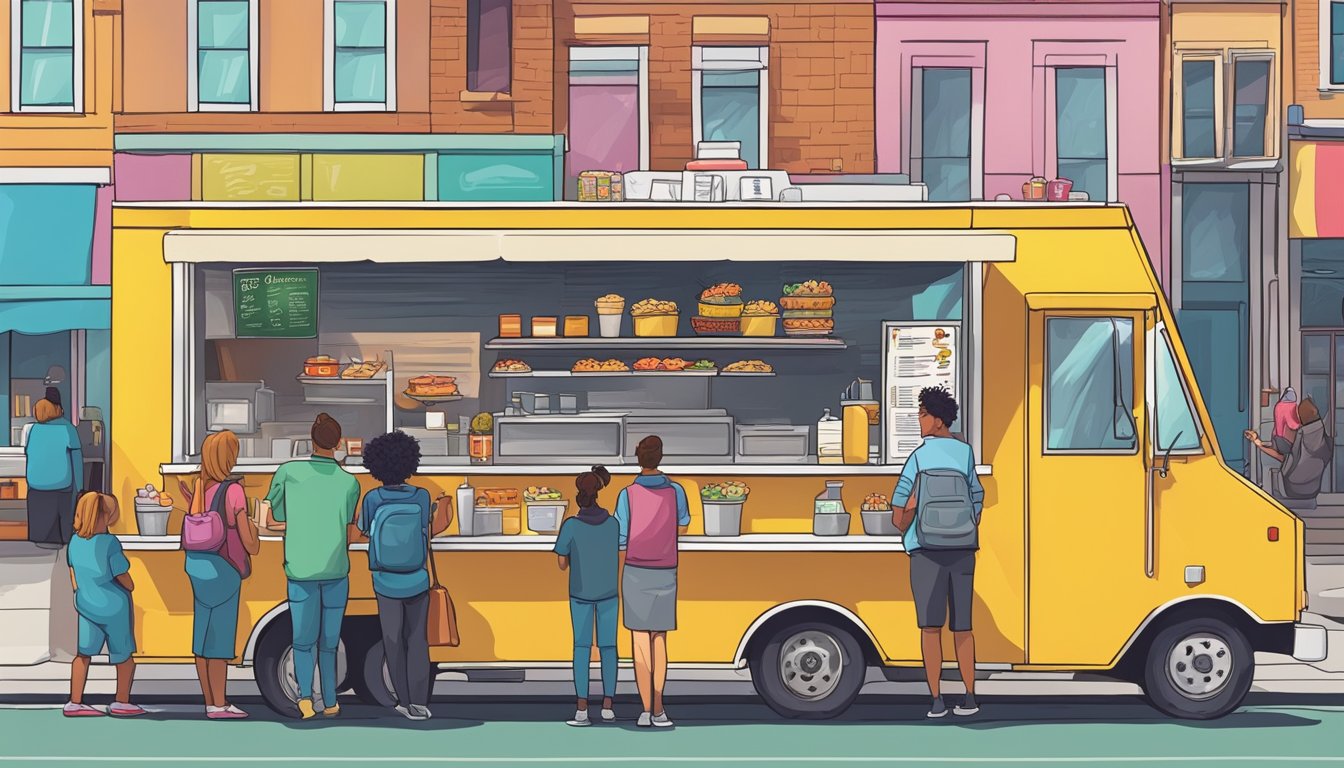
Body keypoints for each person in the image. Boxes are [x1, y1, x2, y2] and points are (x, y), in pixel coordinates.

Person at [891, 387, 985, 719]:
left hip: (926, 552)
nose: (918, 420)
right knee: (963, 627)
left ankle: (936, 700)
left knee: (931, 629)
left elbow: (898, 509)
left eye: (922, 415)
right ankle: (970, 696)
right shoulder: (965, 453)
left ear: (937, 420)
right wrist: (964, 524)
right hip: (962, 549)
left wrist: (909, 515)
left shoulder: (918, 456)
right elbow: (977, 494)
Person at [265, 413, 361, 719]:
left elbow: (273, 518)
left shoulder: (289, 472)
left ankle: (306, 699)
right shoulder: (350, 482)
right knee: (329, 642)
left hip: (301, 569)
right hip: (336, 570)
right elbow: (349, 529)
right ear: (339, 443)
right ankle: (330, 700)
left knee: (303, 641)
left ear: (311, 439)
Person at [358, 430, 450, 722]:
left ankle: (403, 701)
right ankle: (420, 703)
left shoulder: (372, 498)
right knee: (417, 641)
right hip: (417, 578)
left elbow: (362, 530)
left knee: (393, 641)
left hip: (385, 580)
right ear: (411, 463)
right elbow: (429, 528)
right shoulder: (421, 496)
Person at [183, 430, 260, 719]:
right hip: (223, 571)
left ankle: (208, 701)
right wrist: (255, 531)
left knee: (202, 639)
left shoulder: (200, 488)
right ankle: (219, 704)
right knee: (220, 640)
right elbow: (249, 543)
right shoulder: (233, 491)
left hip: (197, 567)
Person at [614, 436, 690, 729]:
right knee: (660, 639)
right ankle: (660, 709)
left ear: (638, 458)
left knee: (639, 641)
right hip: (666, 569)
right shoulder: (676, 491)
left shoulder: (627, 494)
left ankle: (645, 709)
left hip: (635, 570)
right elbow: (683, 524)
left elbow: (621, 537)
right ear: (661, 457)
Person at [65, 492, 145, 717]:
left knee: (83, 655)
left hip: (86, 606)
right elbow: (124, 578)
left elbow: (74, 578)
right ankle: (121, 701)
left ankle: (75, 702)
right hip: (114, 608)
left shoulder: (74, 542)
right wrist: (130, 586)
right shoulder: (110, 543)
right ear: (104, 517)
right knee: (124, 658)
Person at [555, 466, 619, 727]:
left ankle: (582, 708)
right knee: (609, 648)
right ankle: (608, 705)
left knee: (581, 648)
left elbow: (561, 563)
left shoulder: (571, 525)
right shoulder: (613, 524)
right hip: (609, 593)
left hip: (580, 593)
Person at [25, 389, 83, 548]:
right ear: (59, 409)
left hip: (36, 485)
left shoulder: (34, 430)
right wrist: (80, 488)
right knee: (64, 513)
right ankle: (63, 538)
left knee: (40, 511)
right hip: (61, 485)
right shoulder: (68, 429)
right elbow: (76, 460)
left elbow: (29, 455)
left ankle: (39, 538)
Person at [1247, 397, 1332, 501]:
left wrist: (1258, 444)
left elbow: (1284, 458)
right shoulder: (1323, 437)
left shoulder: (1301, 436)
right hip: (1313, 490)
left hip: (1293, 489)